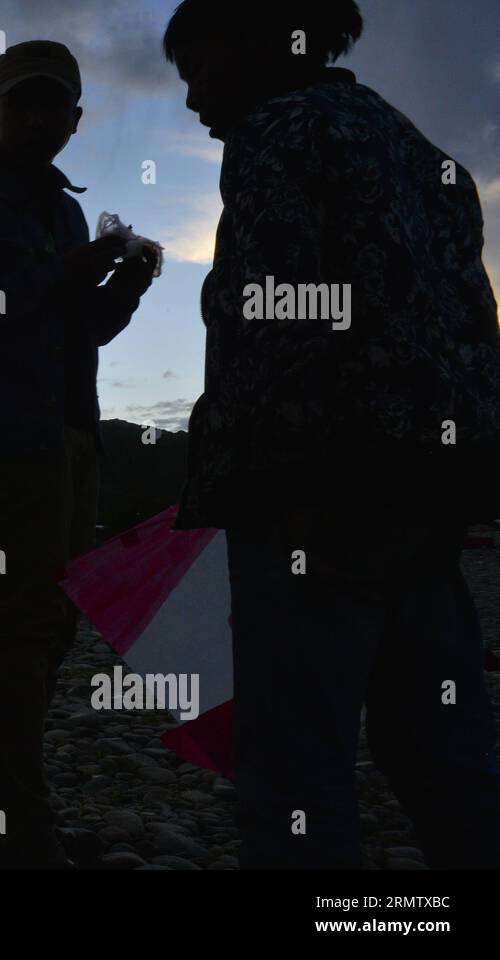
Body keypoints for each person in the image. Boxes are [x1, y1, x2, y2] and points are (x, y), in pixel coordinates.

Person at [164, 0, 500, 868]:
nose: (194, 98)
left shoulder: (280, 131)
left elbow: (280, 312)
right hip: (428, 489)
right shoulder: (426, 155)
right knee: (438, 744)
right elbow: (473, 318)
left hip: (315, 494)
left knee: (294, 762)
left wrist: (287, 476)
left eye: (200, 69)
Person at [0, 40, 156, 869]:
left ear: (77, 120)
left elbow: (78, 330)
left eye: (57, 105)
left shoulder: (65, 212)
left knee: (47, 625)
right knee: (18, 622)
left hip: (70, 438)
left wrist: (127, 285)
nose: (41, 117)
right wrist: (65, 272)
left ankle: (15, 808)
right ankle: (15, 827)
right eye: (24, 103)